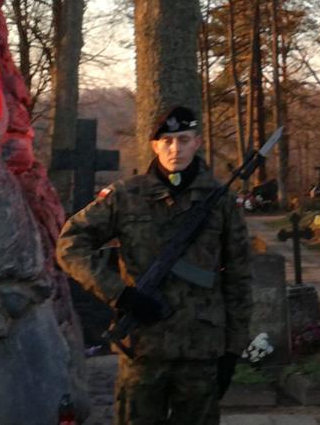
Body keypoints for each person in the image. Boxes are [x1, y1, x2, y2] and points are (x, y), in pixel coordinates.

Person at [57, 107, 254, 425]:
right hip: (142, 351)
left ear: (197, 142)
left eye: (183, 140)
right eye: (167, 141)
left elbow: (239, 278)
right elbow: (69, 245)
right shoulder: (126, 196)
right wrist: (121, 295)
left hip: (200, 352)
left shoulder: (220, 201)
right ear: (154, 145)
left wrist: (232, 350)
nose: (175, 149)